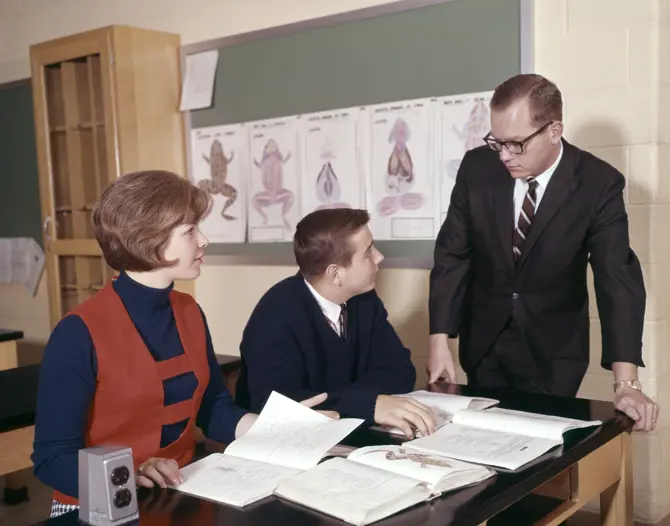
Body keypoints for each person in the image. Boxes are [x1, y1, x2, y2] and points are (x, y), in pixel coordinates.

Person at [32, 170, 336, 518]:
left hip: (181, 490)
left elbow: (215, 411)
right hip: (101, 506)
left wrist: (280, 426)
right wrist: (129, 475)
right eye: (190, 231)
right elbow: (52, 459)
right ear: (150, 240)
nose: (203, 240)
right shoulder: (77, 333)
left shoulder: (189, 311)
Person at [428, 73, 659, 432]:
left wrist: (626, 384)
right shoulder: (476, 168)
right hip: (484, 342)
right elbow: (453, 256)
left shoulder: (598, 184)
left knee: (544, 462)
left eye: (516, 144)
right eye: (497, 142)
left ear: (554, 130)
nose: (504, 156)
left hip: (553, 352)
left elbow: (616, 276)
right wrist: (440, 340)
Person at [235, 208, 437, 438]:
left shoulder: (364, 300)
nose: (380, 257)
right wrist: (366, 404)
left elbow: (400, 371)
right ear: (335, 274)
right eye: (368, 252)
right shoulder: (276, 313)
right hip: (284, 445)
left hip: (345, 436)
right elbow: (280, 405)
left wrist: (346, 402)